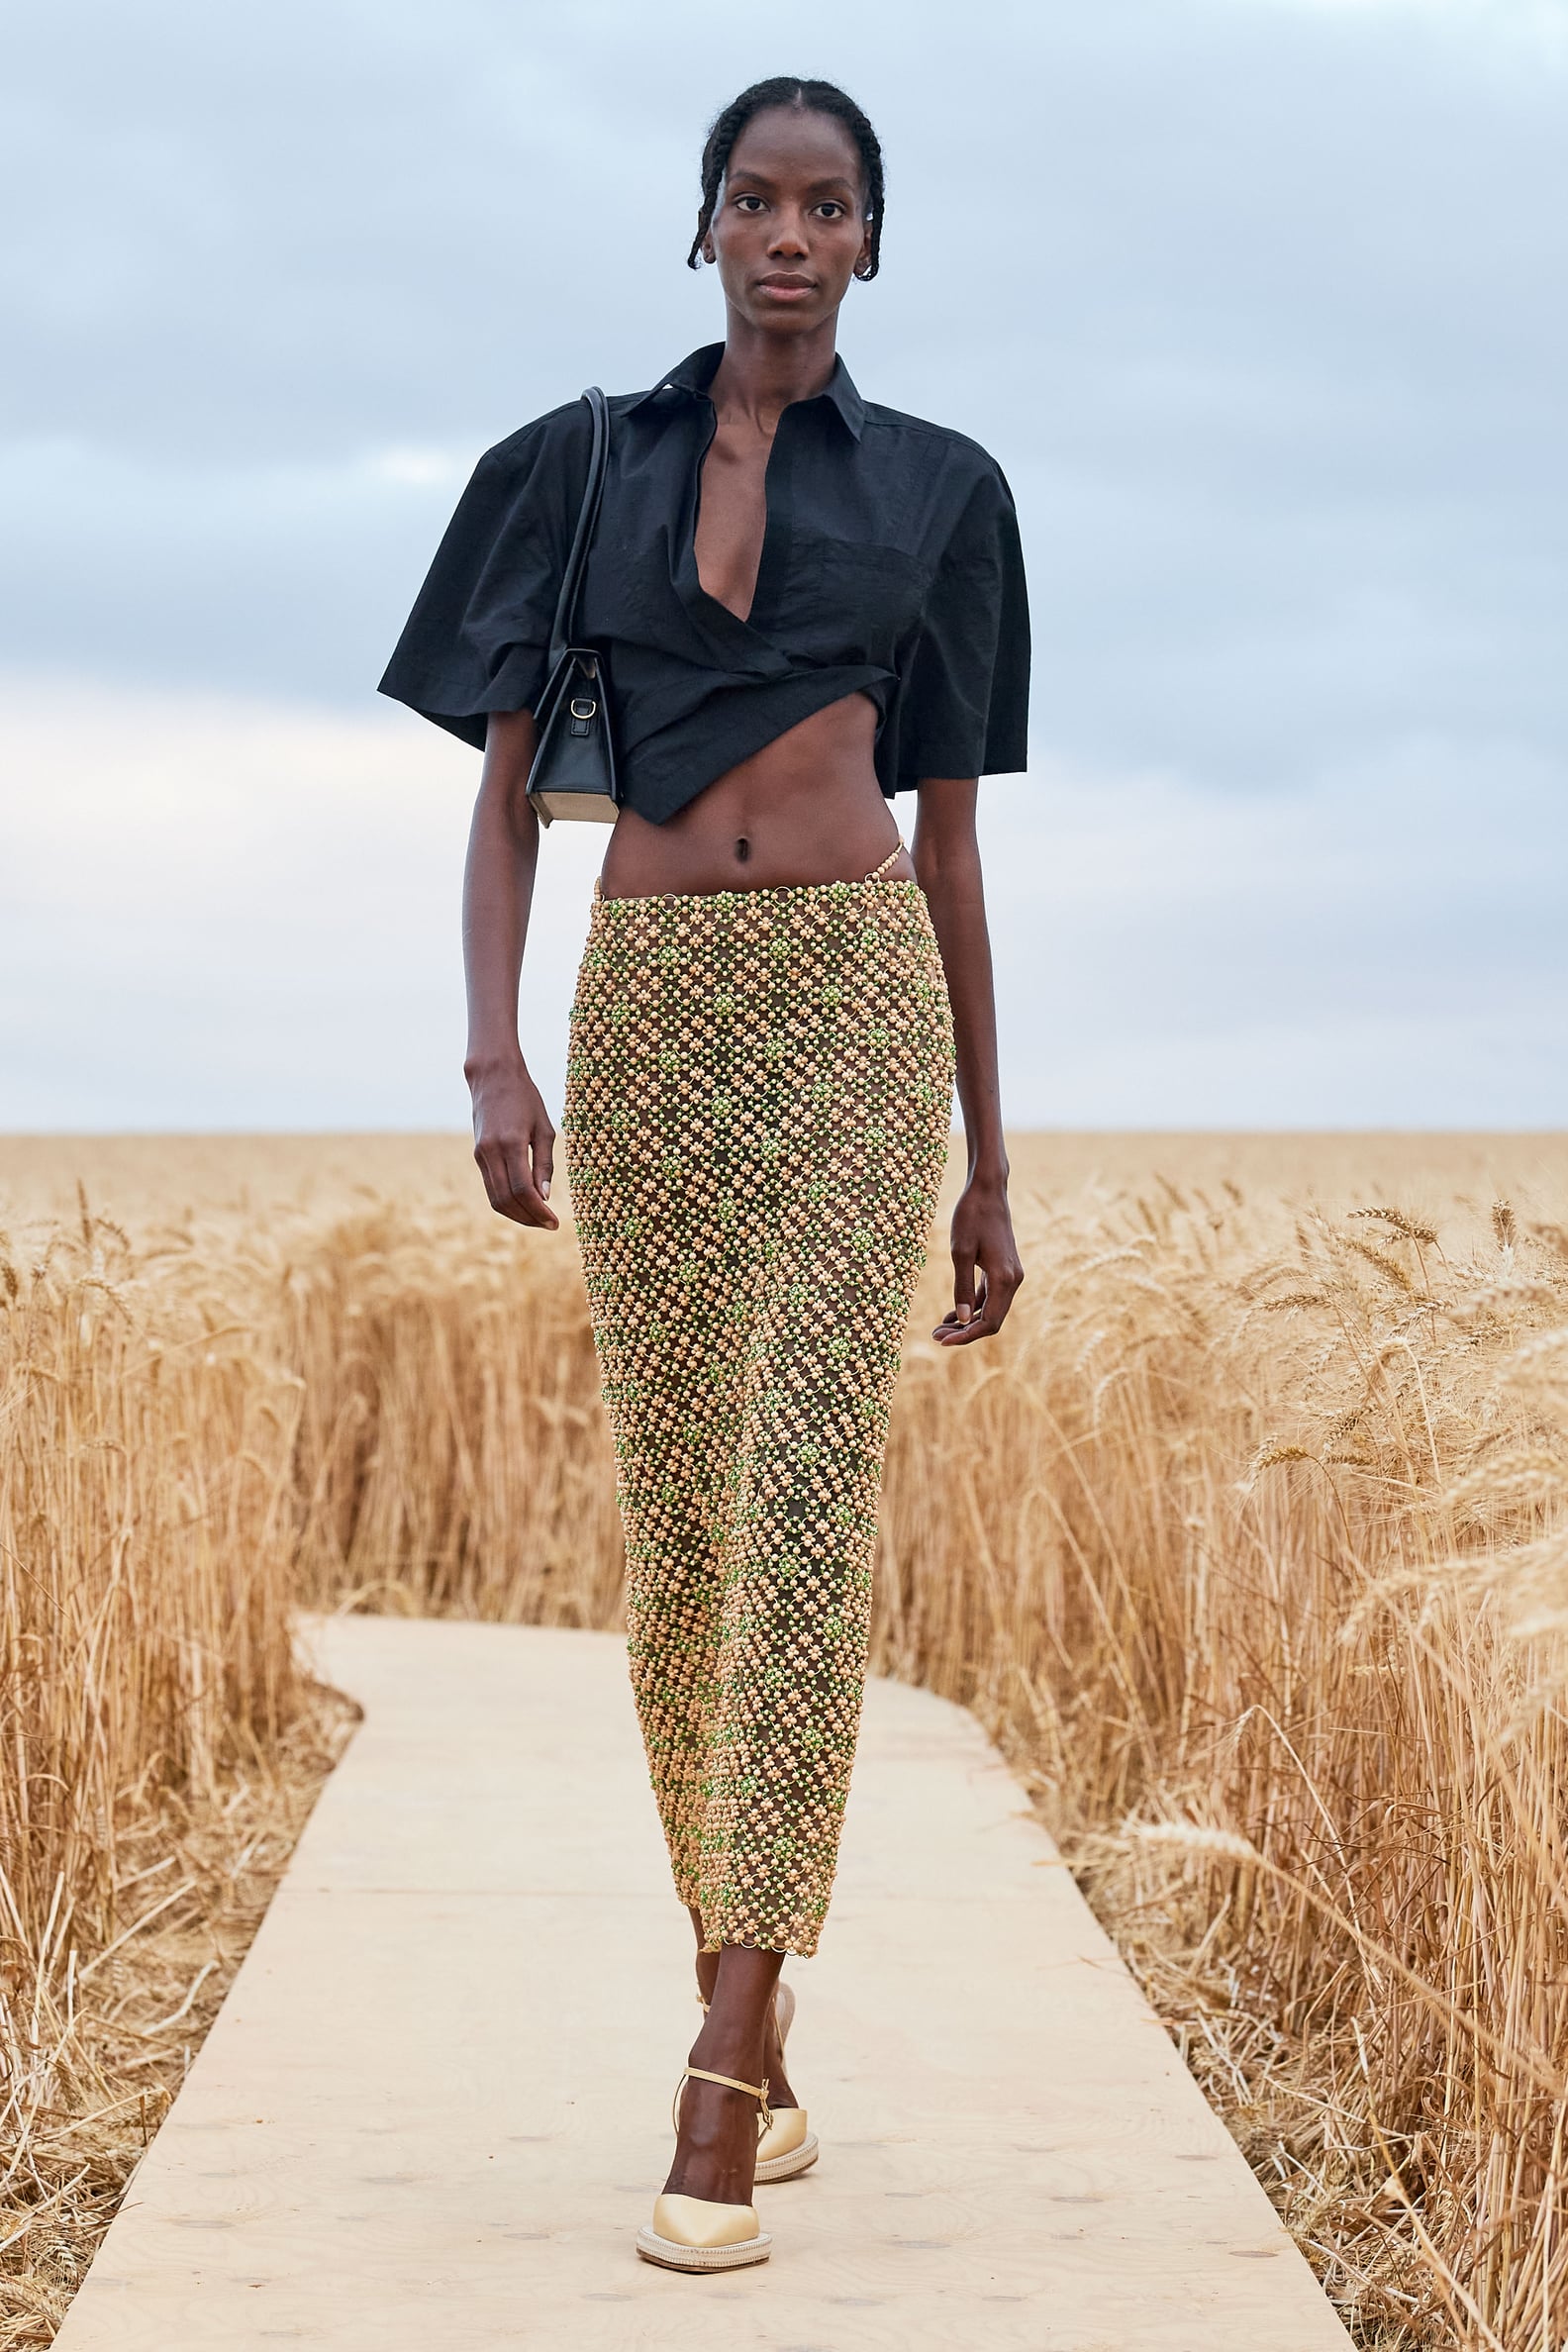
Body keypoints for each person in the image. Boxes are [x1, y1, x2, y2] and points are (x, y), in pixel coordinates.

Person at [379, 73, 1028, 2275]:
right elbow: (499, 800)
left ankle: (725, 2064)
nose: (790, 238)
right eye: (755, 199)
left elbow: (953, 846)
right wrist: (492, 1053)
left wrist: (991, 1163)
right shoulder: (574, 468)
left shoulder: (945, 492)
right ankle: (738, 1963)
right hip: (647, 1011)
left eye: (828, 206)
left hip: (857, 1009)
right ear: (704, 228)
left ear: (871, 241)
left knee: (805, 1501)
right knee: (685, 1537)